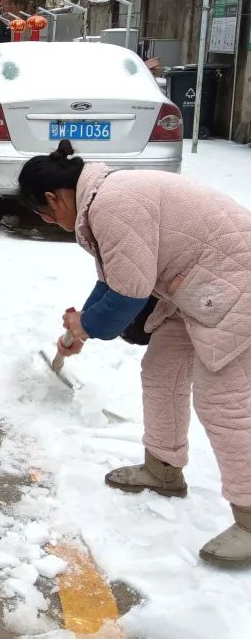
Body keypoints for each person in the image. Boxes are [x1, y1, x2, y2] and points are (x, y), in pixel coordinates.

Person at [19, 139, 251, 568]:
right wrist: (82, 326)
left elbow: (128, 295)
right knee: (161, 371)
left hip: (236, 286)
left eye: (44, 215)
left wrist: (87, 326)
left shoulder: (113, 203)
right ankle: (163, 469)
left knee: (223, 402)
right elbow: (113, 281)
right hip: (194, 288)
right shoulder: (103, 199)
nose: (49, 223)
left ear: (53, 199)